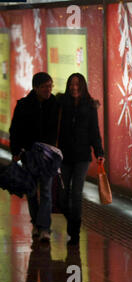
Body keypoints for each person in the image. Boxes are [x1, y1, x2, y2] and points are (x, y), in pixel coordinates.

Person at [9, 72, 59, 242]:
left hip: (48, 155)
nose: (49, 89)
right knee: (31, 191)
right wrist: (16, 152)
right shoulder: (23, 105)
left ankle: (44, 228)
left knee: (45, 191)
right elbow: (14, 130)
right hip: (29, 154)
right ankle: (37, 224)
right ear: (36, 88)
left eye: (50, 86)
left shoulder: (55, 104)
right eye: (45, 86)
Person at [56, 73, 104, 246]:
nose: (74, 87)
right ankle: (73, 222)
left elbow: (94, 131)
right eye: (71, 84)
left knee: (76, 193)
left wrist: (99, 152)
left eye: (77, 85)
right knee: (62, 195)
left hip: (82, 157)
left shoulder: (90, 107)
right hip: (63, 155)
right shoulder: (60, 103)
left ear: (83, 86)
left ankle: (74, 231)